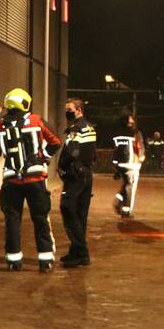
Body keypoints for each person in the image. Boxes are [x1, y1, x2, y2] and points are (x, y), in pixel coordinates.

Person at [0, 88, 61, 272]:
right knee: (40, 219)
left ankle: (14, 261)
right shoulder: (36, 120)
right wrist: (43, 157)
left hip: (11, 180)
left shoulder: (1, 124)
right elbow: (56, 141)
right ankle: (45, 260)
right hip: (35, 178)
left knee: (12, 220)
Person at [58, 99, 96, 267]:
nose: (67, 113)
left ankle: (81, 251)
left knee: (67, 209)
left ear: (79, 110)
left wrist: (63, 168)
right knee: (81, 214)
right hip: (87, 174)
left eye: (70, 110)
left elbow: (72, 151)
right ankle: (75, 252)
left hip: (75, 175)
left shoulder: (76, 129)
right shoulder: (90, 127)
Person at [111, 113, 143, 218]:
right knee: (130, 188)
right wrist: (141, 158)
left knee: (126, 185)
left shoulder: (117, 134)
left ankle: (119, 201)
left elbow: (115, 150)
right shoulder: (135, 133)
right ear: (130, 122)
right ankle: (126, 211)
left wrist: (115, 166)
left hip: (120, 164)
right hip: (132, 164)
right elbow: (140, 147)